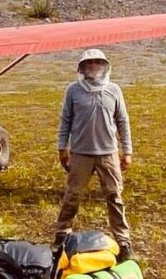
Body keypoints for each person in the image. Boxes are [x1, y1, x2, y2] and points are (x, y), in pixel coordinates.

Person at [54, 47, 134, 261]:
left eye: (97, 63)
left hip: (108, 152)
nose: (93, 67)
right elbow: (66, 121)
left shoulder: (115, 90)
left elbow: (122, 121)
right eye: (88, 64)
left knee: (114, 195)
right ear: (82, 68)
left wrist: (127, 151)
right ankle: (62, 234)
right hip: (80, 153)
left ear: (104, 66)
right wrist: (63, 148)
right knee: (72, 195)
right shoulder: (73, 90)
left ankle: (123, 241)